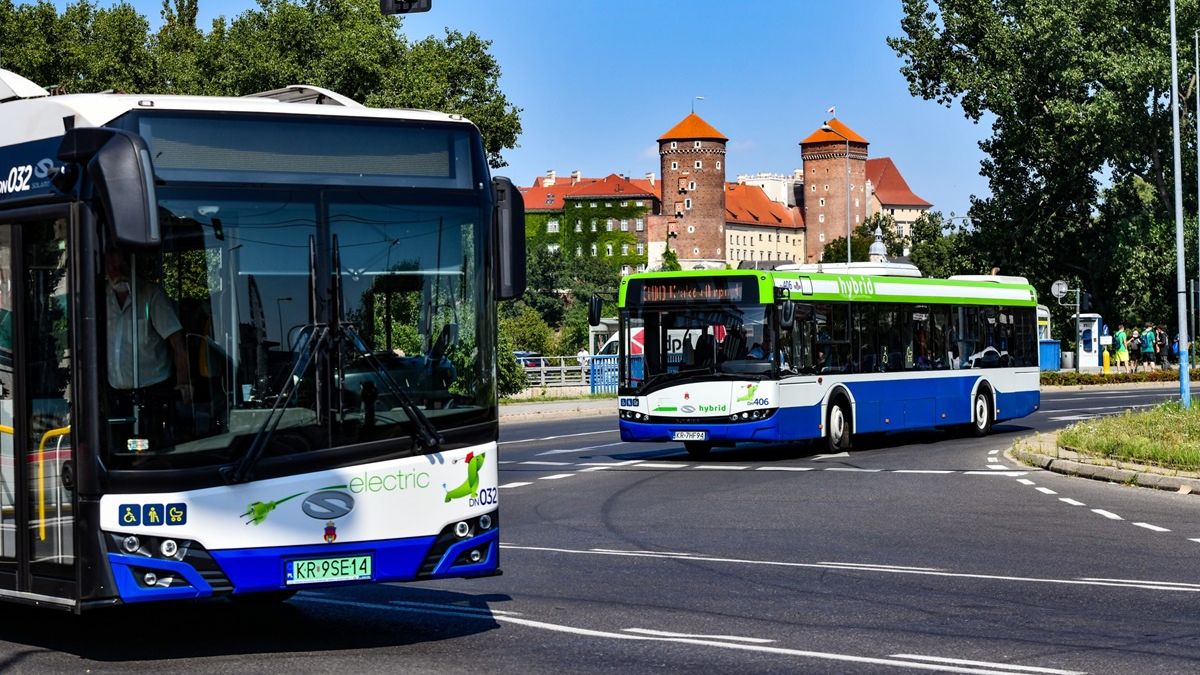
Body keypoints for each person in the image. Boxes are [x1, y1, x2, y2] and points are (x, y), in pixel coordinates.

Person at [106, 251, 191, 448]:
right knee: (119, 450)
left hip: (153, 394)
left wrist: (184, 383)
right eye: (112, 268)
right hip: (117, 396)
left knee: (151, 452)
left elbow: (177, 342)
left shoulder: (151, 295)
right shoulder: (101, 298)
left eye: (121, 268)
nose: (117, 274)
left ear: (133, 266)